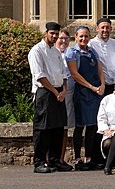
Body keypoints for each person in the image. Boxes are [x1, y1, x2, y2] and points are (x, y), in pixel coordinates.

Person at [27, 21, 69, 173]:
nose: (54, 36)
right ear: (46, 33)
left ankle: (54, 160)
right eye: (52, 33)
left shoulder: (57, 52)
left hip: (58, 92)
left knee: (57, 128)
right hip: (45, 92)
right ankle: (39, 162)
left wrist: (63, 90)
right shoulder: (36, 51)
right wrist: (55, 92)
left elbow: (64, 73)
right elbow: (39, 76)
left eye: (57, 34)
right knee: (43, 129)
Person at [65, 25, 105, 171]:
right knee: (80, 126)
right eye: (81, 36)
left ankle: (88, 158)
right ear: (75, 37)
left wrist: (102, 84)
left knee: (93, 126)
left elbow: (100, 69)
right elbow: (75, 74)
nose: (84, 39)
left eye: (86, 36)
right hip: (81, 91)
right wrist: (91, 87)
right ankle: (77, 159)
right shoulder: (72, 52)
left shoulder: (92, 50)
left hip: (95, 92)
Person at [56, 28, 75, 169]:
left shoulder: (70, 54)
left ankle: (61, 159)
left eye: (66, 39)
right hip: (53, 92)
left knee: (64, 127)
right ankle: (50, 159)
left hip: (68, 93)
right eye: (60, 38)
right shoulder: (51, 53)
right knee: (52, 127)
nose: (63, 41)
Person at [89, 18, 115, 95]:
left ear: (111, 29)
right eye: (102, 27)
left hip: (114, 84)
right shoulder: (91, 44)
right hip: (99, 84)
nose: (105, 30)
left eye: (107, 27)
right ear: (97, 29)